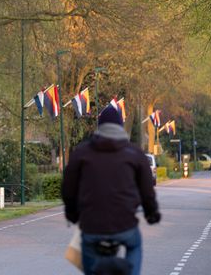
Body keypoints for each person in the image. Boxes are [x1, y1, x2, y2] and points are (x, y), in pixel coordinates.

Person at [61, 105, 160, 275]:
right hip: (125, 226)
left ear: (99, 128)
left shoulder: (82, 153)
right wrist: (151, 213)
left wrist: (72, 214)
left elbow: (68, 189)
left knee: (88, 253)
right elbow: (147, 191)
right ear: (120, 127)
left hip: (91, 227)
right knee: (135, 245)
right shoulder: (135, 154)